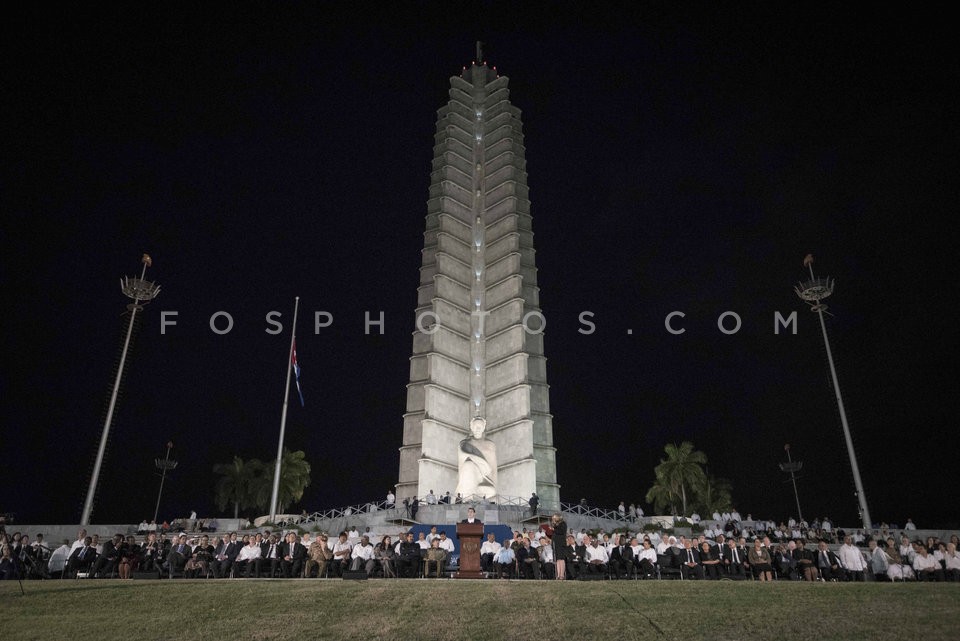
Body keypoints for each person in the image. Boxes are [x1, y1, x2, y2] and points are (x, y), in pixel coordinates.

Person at [455, 417, 498, 501]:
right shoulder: (465, 444)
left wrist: (496, 490)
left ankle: (472, 496)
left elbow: (493, 469)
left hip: (484, 481)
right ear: (471, 427)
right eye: (475, 426)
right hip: (468, 478)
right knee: (468, 465)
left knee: (491, 491)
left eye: (480, 427)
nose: (477, 429)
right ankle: (468, 497)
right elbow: (461, 464)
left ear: (483, 428)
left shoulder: (490, 445)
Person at [550, 513, 568, 580]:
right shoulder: (555, 525)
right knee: (557, 559)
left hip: (561, 543)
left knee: (561, 559)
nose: (553, 519)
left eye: (554, 518)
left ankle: (562, 574)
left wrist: (553, 529)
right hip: (556, 543)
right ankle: (558, 574)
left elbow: (561, 531)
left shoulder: (563, 524)